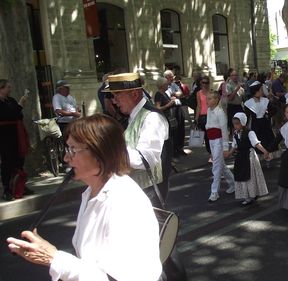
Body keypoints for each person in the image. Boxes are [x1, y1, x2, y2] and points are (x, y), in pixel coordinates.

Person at [6, 114, 162, 281]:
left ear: (101, 153)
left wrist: (53, 258)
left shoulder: (124, 202)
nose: (66, 158)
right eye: (67, 149)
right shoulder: (92, 192)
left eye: (73, 150)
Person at [109, 73, 170, 202]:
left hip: (148, 195)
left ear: (135, 94)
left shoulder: (152, 118)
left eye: (117, 95)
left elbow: (145, 158)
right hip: (136, 192)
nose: (114, 101)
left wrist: (109, 152)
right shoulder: (132, 116)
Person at [226, 113, 270, 206]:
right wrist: (229, 153)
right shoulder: (235, 134)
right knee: (242, 176)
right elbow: (234, 145)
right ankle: (246, 196)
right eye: (234, 124)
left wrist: (265, 151)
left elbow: (256, 143)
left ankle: (253, 194)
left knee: (250, 176)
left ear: (242, 122)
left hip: (249, 156)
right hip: (240, 157)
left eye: (237, 123)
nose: (235, 125)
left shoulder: (250, 132)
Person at [0, 79, 31, 201]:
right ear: (1, 88)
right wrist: (20, 105)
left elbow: (18, 115)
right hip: (3, 136)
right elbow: (7, 115)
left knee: (19, 160)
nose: (10, 89)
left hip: (16, 134)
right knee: (7, 162)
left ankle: (20, 185)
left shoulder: (11, 100)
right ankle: (7, 189)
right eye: (8, 87)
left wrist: (18, 107)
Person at [206, 91, 235, 202]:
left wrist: (225, 147)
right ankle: (233, 183)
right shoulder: (209, 110)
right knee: (220, 165)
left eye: (210, 99)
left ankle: (214, 192)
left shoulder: (220, 112)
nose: (207, 101)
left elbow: (224, 131)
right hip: (211, 141)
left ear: (216, 100)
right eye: (207, 98)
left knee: (216, 166)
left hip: (218, 141)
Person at [243, 81, 276, 151]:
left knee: (268, 138)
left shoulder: (265, 100)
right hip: (255, 125)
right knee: (257, 139)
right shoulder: (248, 103)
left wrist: (268, 115)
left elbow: (274, 109)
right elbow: (247, 117)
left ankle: (268, 153)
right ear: (256, 91)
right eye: (261, 90)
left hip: (265, 123)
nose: (262, 91)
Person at [195, 75, 212, 154]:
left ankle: (213, 151)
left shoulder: (212, 92)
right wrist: (196, 118)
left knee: (212, 134)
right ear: (200, 83)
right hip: (203, 116)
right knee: (206, 136)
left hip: (211, 115)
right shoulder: (198, 93)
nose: (205, 84)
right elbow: (199, 105)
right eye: (203, 83)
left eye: (206, 82)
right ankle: (210, 152)